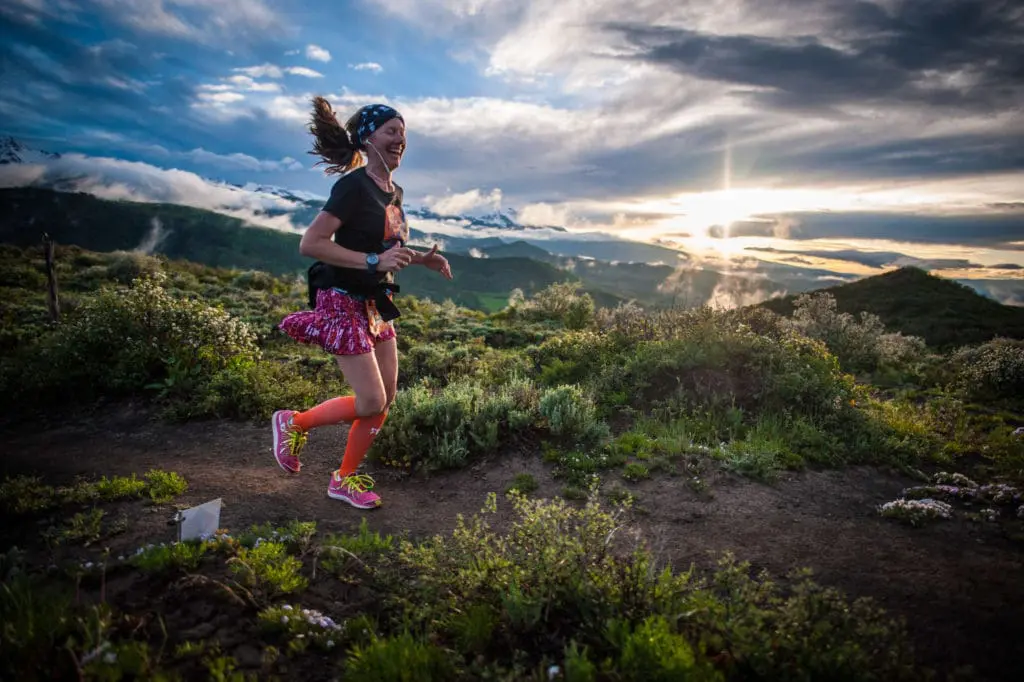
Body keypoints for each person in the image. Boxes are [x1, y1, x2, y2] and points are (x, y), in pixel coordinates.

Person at [271, 96, 453, 510]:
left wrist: (421, 258)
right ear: (368, 138)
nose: (400, 140)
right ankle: (293, 422)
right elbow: (311, 244)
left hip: (375, 303)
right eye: (391, 131)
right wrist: (373, 261)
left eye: (403, 134)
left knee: (384, 400)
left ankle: (344, 478)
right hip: (341, 299)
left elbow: (385, 244)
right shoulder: (352, 185)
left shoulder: (394, 190)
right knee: (370, 400)